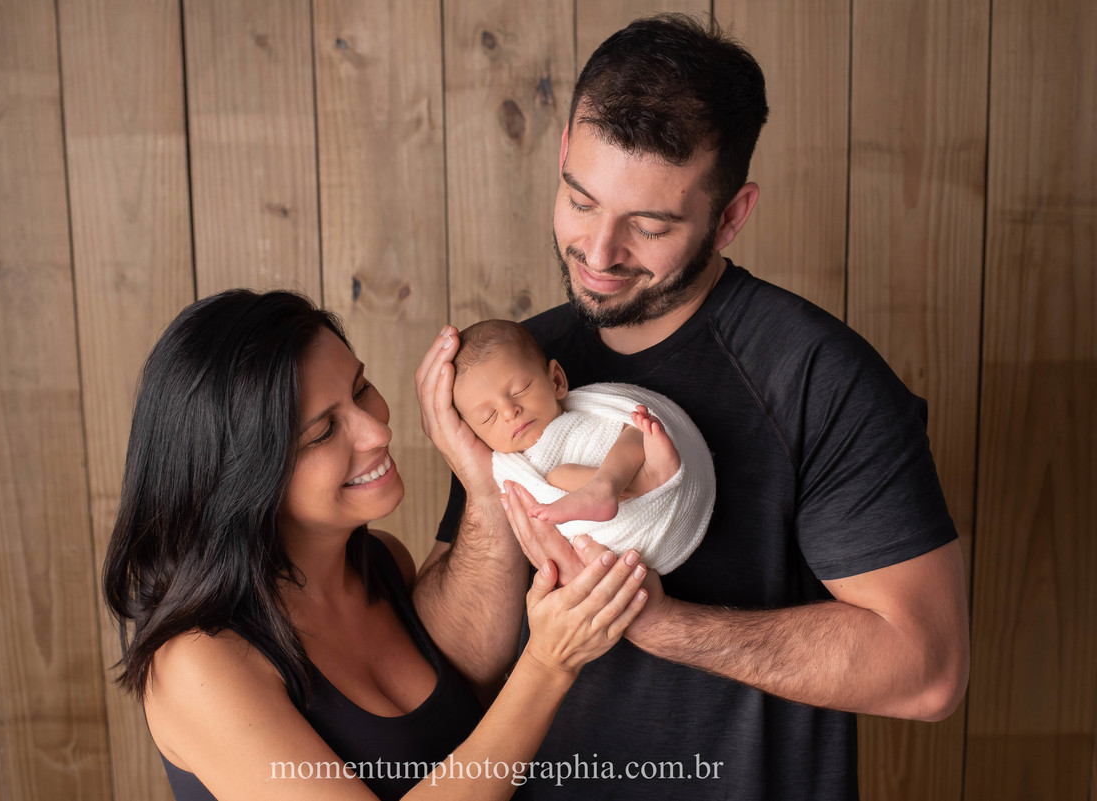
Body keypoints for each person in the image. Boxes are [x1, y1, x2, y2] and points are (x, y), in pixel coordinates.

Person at [412, 13, 969, 801]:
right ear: (564, 155)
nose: (599, 254)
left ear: (731, 215)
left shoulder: (819, 378)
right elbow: (459, 663)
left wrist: (658, 621)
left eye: (648, 225)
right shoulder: (514, 370)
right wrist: (480, 484)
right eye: (580, 201)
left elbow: (928, 671)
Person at [102, 289, 649, 801]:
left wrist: (486, 484)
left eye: (361, 388)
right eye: (322, 432)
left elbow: (476, 739)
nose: (376, 432)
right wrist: (548, 665)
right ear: (240, 478)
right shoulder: (198, 662)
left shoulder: (382, 562)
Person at [451, 318, 715, 573]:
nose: (510, 411)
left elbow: (625, 415)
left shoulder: (587, 411)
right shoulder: (516, 469)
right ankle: (639, 483)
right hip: (624, 533)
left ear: (556, 381)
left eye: (520, 389)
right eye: (489, 416)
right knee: (557, 477)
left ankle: (638, 478)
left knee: (635, 427)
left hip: (656, 472)